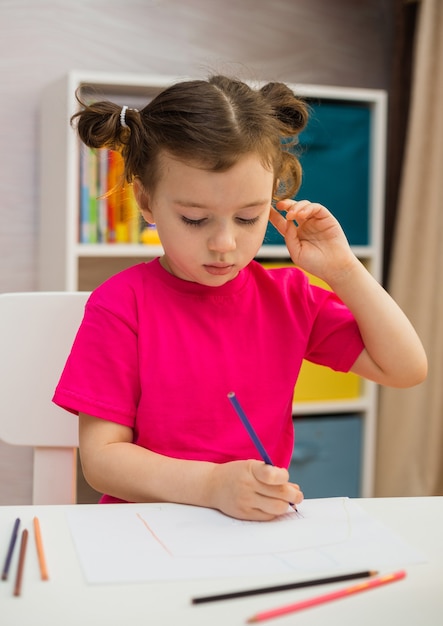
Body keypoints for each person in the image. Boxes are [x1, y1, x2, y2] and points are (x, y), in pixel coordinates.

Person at [53, 75, 427, 521]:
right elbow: (101, 461)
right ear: (147, 202)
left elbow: (405, 368)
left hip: (253, 527)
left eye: (249, 217)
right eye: (195, 219)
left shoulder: (288, 296)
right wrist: (211, 485)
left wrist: (344, 271)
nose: (224, 243)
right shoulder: (120, 305)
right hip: (146, 528)